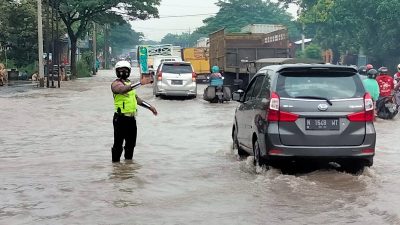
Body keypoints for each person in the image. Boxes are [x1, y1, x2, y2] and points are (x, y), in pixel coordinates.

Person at [111, 60, 158, 162]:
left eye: (125, 70)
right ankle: (115, 167)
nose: (123, 72)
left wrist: (150, 107)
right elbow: (122, 89)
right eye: (121, 70)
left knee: (131, 144)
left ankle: (128, 168)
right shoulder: (115, 84)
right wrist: (140, 83)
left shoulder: (129, 84)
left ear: (129, 71)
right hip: (120, 119)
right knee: (118, 144)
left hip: (131, 119)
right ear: (117, 71)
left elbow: (136, 99)